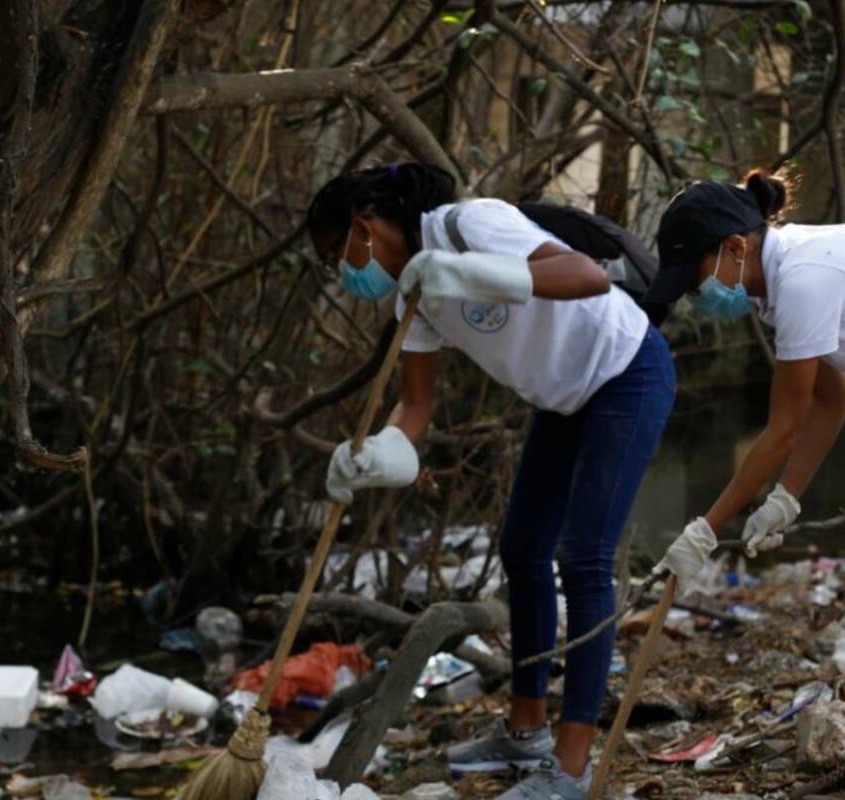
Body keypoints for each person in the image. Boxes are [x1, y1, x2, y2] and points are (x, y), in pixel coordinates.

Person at [307, 163, 676, 800]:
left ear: (364, 227)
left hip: (626, 371)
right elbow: (414, 406)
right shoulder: (413, 295)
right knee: (522, 549)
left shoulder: (469, 225)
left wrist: (469, 273)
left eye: (335, 253)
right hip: (564, 399)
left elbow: (586, 277)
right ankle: (527, 732)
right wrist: (370, 456)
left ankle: (570, 768)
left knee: (584, 559)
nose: (342, 272)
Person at [648, 171, 845, 594]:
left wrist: (703, 533)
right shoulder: (777, 289)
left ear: (736, 248)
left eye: (695, 281)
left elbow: (784, 428)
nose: (695, 297)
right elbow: (833, 399)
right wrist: (785, 497)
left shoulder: (802, 280)